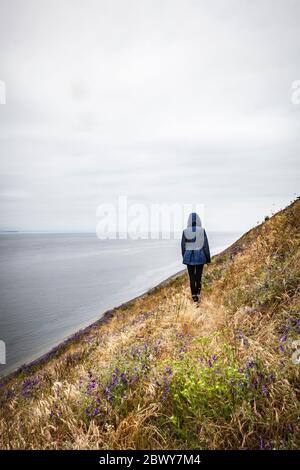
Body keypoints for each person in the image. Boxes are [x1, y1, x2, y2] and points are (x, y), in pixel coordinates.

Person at [181, 212, 211, 302]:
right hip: (200, 256)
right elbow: (205, 245)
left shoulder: (185, 231)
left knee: (192, 278)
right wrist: (207, 258)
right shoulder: (202, 230)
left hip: (188, 257)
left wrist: (185, 257)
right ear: (198, 220)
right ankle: (198, 294)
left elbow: (183, 246)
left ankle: (194, 298)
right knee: (198, 277)